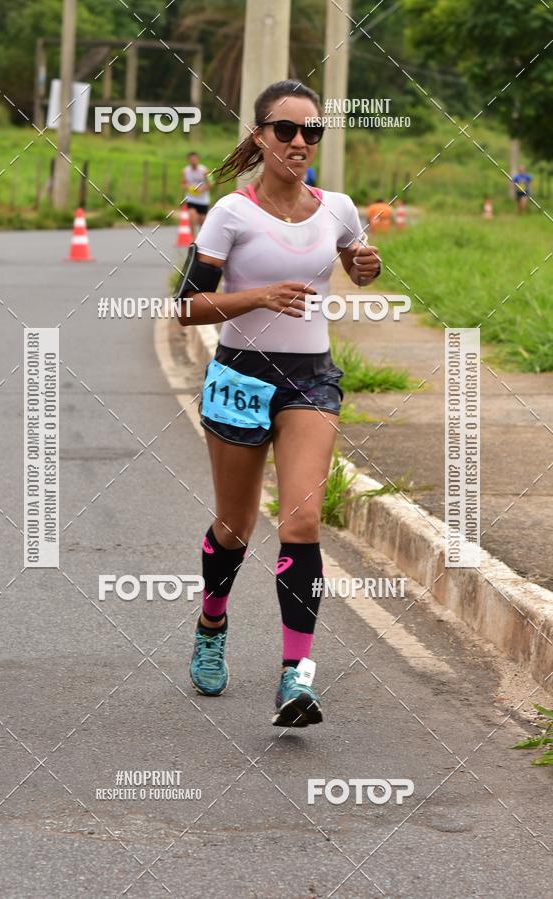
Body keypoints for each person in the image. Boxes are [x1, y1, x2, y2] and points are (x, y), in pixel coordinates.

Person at [175, 80, 381, 728]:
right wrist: (257, 297)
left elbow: (354, 263)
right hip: (240, 374)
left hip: (310, 381)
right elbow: (187, 306)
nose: (299, 142)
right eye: (286, 130)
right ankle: (213, 622)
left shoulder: (339, 207)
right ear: (260, 136)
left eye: (311, 131)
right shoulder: (231, 214)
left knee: (302, 521)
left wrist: (366, 266)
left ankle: (295, 676)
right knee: (235, 527)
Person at [181, 152, 211, 235]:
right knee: (192, 217)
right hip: (191, 198)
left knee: (202, 221)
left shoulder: (205, 170)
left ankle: (202, 238)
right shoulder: (185, 170)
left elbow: (211, 182)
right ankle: (193, 240)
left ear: (198, 159)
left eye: (195, 159)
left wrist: (203, 188)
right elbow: (183, 184)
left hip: (203, 199)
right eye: (191, 159)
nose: (193, 161)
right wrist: (188, 187)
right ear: (188, 160)